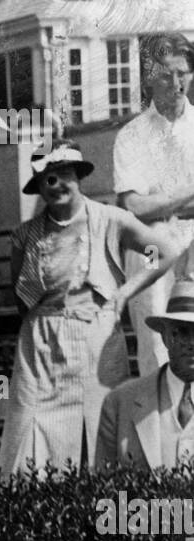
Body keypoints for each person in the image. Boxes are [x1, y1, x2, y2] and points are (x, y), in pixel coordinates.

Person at [0, 144, 177, 479]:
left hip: (96, 334)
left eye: (64, 176)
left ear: (79, 178)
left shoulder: (111, 219)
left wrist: (125, 292)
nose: (56, 186)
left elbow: (162, 252)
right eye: (47, 180)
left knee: (101, 419)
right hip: (41, 344)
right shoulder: (25, 235)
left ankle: (99, 506)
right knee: (30, 421)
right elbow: (21, 298)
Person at [113, 32, 194, 377]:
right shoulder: (132, 135)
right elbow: (134, 205)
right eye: (165, 74)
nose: (175, 83)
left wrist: (165, 199)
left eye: (182, 73)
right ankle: (159, 422)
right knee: (157, 339)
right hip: (152, 244)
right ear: (149, 78)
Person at [95, 279, 194, 472]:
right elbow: (104, 487)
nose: (191, 343)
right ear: (165, 336)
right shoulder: (119, 404)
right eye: (180, 332)